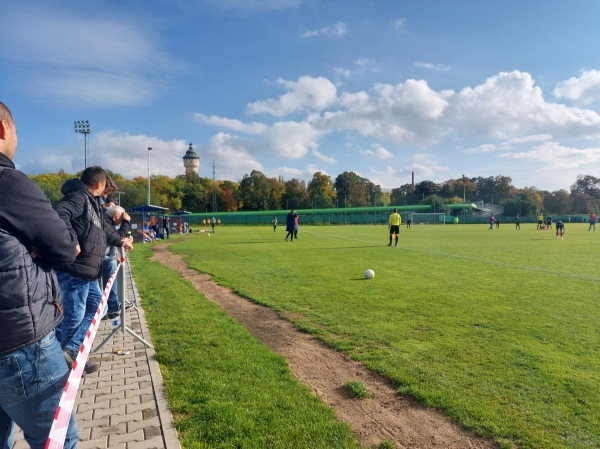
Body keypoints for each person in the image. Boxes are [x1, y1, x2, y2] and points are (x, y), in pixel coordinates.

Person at [0, 101, 79, 448]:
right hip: (20, 347)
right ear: (3, 130)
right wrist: (36, 250)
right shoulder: (9, 183)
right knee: (58, 440)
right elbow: (63, 247)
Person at [54, 166, 132, 374]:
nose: (107, 191)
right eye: (106, 186)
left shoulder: (93, 203)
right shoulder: (79, 197)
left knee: (101, 309)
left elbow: (105, 232)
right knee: (74, 317)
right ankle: (64, 364)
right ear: (99, 184)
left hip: (87, 272)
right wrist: (71, 241)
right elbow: (59, 215)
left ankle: (73, 352)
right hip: (74, 270)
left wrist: (122, 240)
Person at [102, 204, 134, 320]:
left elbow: (117, 236)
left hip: (99, 257)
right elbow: (117, 236)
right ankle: (112, 307)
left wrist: (122, 239)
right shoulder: (106, 221)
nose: (123, 219)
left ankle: (111, 306)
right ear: (115, 217)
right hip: (99, 258)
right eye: (122, 217)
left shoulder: (107, 220)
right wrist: (126, 222)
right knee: (111, 266)